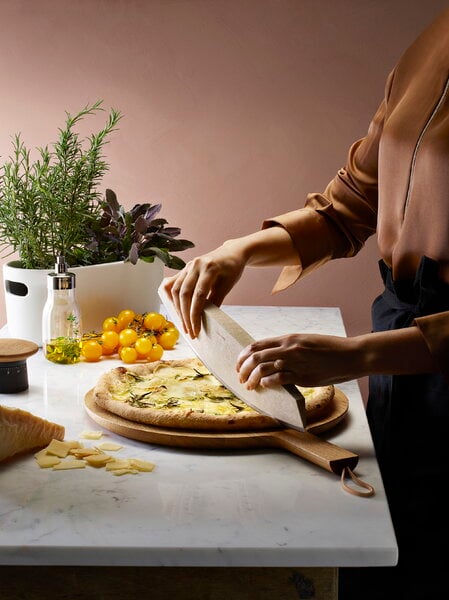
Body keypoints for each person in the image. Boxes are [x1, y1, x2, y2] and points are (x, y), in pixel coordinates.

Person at [163, 8, 449, 600]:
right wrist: (237, 251)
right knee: (397, 552)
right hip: (401, 351)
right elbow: (351, 203)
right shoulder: (433, 40)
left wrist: (357, 356)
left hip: (417, 353)